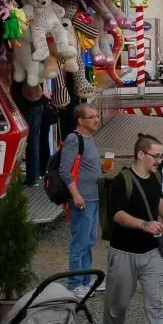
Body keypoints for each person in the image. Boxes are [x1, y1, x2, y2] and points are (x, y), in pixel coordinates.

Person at [102, 134, 163, 324]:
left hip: (152, 252)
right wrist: (144, 224)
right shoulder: (121, 181)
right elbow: (118, 215)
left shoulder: (156, 176)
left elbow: (156, 200)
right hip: (123, 252)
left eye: (161, 156)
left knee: (155, 301)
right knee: (118, 301)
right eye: (156, 156)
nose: (159, 160)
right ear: (141, 155)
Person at [59, 102, 103, 291]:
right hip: (82, 199)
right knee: (80, 243)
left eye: (96, 116)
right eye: (91, 117)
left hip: (93, 197)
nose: (96, 120)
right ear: (80, 120)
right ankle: (75, 284)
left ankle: (86, 280)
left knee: (89, 241)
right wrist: (76, 195)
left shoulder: (89, 138)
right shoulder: (73, 139)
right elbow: (64, 170)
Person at [16, 81, 52, 186]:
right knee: (34, 142)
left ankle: (16, 178)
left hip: (24, 107)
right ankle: (33, 178)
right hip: (38, 105)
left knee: (20, 142)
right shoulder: (36, 72)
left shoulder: (20, 74)